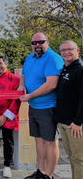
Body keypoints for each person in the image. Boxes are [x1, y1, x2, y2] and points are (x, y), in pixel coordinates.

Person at [19, 32, 64, 179]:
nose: (37, 45)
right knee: (38, 140)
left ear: (48, 42)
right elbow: (24, 75)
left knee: (50, 142)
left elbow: (51, 84)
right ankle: (41, 171)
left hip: (48, 107)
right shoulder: (30, 57)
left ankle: (49, 175)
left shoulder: (53, 58)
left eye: (40, 42)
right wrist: (21, 86)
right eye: (34, 43)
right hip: (34, 106)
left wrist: (30, 95)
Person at [55, 40, 83, 179]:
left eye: (70, 49)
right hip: (64, 123)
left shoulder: (80, 70)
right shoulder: (65, 69)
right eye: (63, 50)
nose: (66, 52)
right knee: (72, 157)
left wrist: (78, 122)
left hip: (75, 125)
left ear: (78, 51)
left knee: (79, 159)